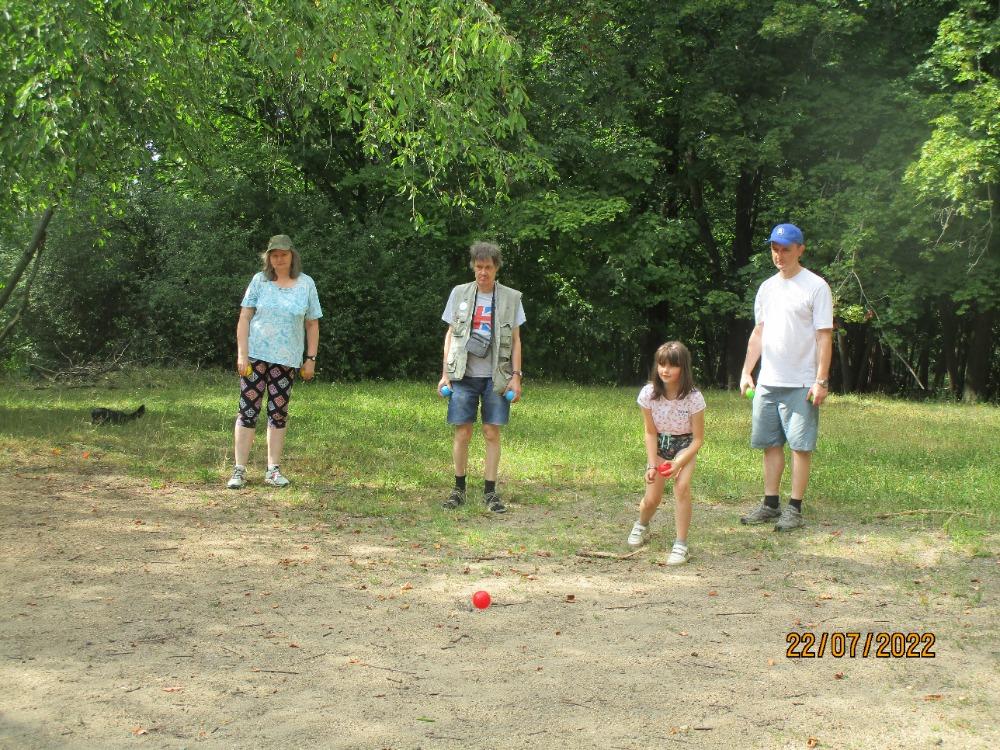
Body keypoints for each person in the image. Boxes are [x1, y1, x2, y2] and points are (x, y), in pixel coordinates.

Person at [738, 223, 833, 530]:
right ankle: (770, 504)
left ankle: (794, 508)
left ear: (800, 250)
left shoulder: (816, 286)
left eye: (786, 250)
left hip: (802, 383)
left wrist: (820, 380)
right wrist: (747, 371)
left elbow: (824, 337)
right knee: (770, 444)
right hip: (768, 381)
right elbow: (758, 332)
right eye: (775, 249)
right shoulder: (767, 287)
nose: (779, 255)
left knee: (800, 446)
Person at [227, 234, 322, 489]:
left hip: (287, 360)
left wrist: (310, 358)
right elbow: (244, 317)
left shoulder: (306, 284)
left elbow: (312, 323)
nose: (279, 259)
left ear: (292, 256)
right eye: (274, 255)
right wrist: (242, 354)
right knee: (248, 410)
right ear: (268, 257)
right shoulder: (259, 281)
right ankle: (239, 470)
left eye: (284, 254)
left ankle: (273, 470)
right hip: (255, 357)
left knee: (278, 412)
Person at [438, 241, 525, 513]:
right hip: (463, 374)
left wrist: (516, 376)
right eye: (478, 267)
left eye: (488, 267)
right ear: (473, 267)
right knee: (462, 431)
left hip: (496, 377)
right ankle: (458, 489)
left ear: (496, 268)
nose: (483, 273)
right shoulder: (459, 293)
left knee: (491, 432)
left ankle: (490, 492)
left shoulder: (511, 298)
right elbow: (451, 334)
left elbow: (516, 339)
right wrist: (445, 374)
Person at [627, 341, 706, 565]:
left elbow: (698, 439)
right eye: (661, 364)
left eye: (672, 365)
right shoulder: (648, 394)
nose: (665, 370)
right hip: (660, 445)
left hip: (685, 447)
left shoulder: (694, 397)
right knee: (652, 499)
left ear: (684, 368)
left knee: (681, 488)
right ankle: (642, 524)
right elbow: (650, 433)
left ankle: (681, 544)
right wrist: (653, 465)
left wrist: (679, 462)